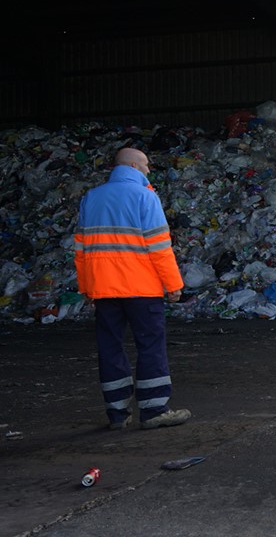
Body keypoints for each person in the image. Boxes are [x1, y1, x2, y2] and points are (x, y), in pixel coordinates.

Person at [74, 147, 191, 430]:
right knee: (149, 345)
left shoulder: (92, 197)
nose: (149, 171)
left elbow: (81, 250)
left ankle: (117, 413)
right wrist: (173, 284)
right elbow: (160, 247)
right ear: (134, 167)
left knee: (110, 347)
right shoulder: (144, 196)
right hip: (142, 288)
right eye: (147, 166)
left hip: (104, 290)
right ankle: (153, 411)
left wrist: (87, 289)